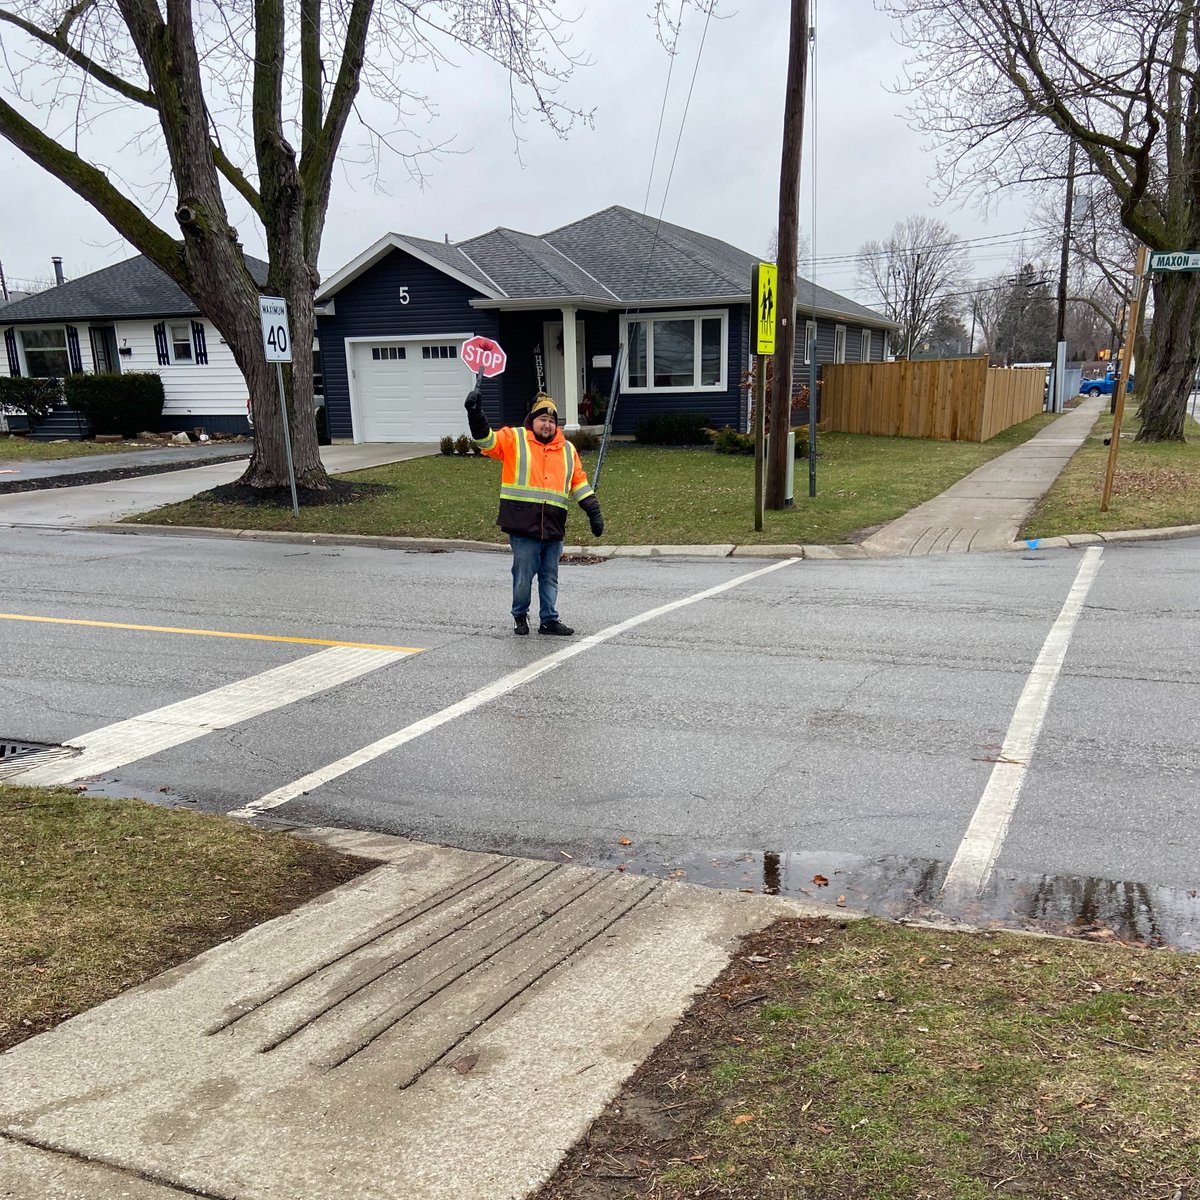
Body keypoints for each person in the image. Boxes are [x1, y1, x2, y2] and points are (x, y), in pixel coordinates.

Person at [465, 388, 604, 636]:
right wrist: (475, 414)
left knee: (550, 578)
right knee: (523, 579)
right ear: (532, 420)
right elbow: (486, 441)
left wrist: (593, 511)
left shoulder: (567, 450)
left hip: (553, 526)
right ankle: (520, 616)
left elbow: (579, 483)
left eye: (552, 421)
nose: (547, 425)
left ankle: (549, 620)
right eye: (543, 419)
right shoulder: (514, 439)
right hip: (522, 526)